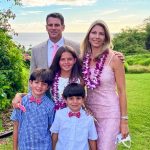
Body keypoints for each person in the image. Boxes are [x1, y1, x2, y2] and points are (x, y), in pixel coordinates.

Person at [81, 20, 129, 150]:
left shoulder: (115, 59)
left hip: (110, 113)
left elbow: (122, 91)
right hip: (89, 113)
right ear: (88, 35)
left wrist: (124, 120)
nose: (97, 36)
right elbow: (80, 88)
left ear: (105, 37)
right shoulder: (83, 58)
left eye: (101, 34)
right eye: (94, 32)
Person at [11, 68, 55, 150]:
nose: (39, 86)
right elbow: (16, 125)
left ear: (48, 87)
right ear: (30, 83)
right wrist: (14, 148)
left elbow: (52, 129)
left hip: (44, 146)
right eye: (36, 82)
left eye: (44, 84)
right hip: (24, 146)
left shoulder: (50, 106)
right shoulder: (21, 102)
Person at [50, 83, 98, 150]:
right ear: (65, 99)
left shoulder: (88, 118)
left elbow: (92, 138)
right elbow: (55, 134)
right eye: (71, 98)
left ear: (83, 99)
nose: (75, 102)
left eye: (78, 98)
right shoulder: (59, 114)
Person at [49, 45, 83, 110]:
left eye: (69, 59)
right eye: (62, 59)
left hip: (74, 114)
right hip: (55, 115)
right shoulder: (51, 77)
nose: (66, 62)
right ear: (58, 61)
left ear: (75, 60)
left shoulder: (80, 79)